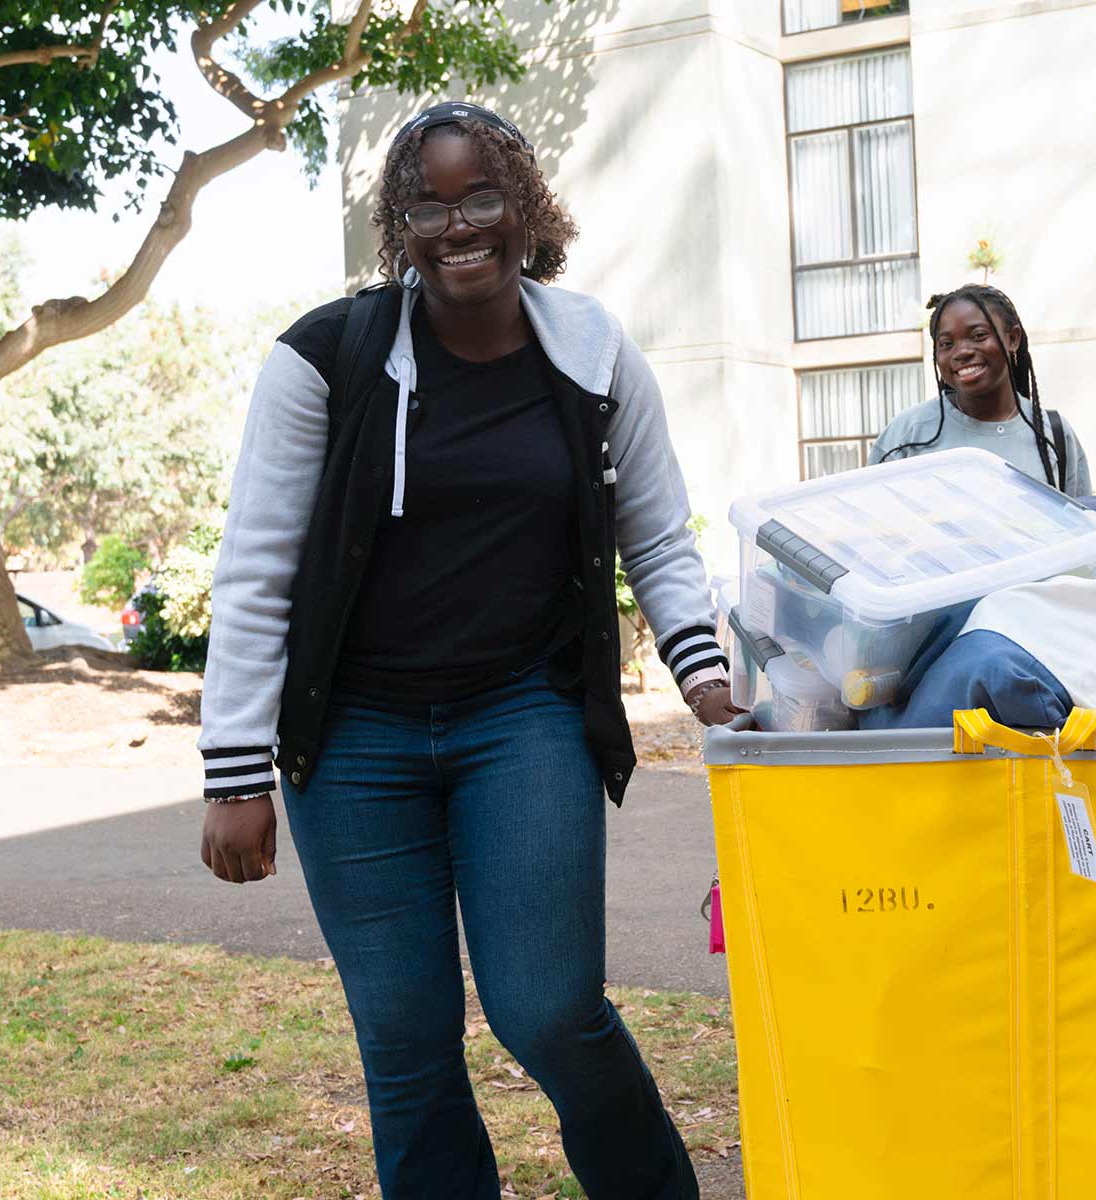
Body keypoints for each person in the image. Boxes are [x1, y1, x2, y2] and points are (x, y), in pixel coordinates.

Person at [194, 101, 732, 1200]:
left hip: (521, 719)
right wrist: (235, 769)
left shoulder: (591, 353)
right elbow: (257, 568)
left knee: (549, 1009)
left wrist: (713, 688)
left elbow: (660, 541)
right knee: (404, 1038)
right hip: (352, 741)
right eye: (426, 206)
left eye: (481, 196)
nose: (458, 226)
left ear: (526, 205)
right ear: (399, 224)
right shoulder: (322, 359)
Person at [871, 283, 1093, 495]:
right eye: (946, 344)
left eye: (978, 336)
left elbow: (1082, 528)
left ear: (1012, 338)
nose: (962, 352)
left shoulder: (1053, 434)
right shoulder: (907, 434)